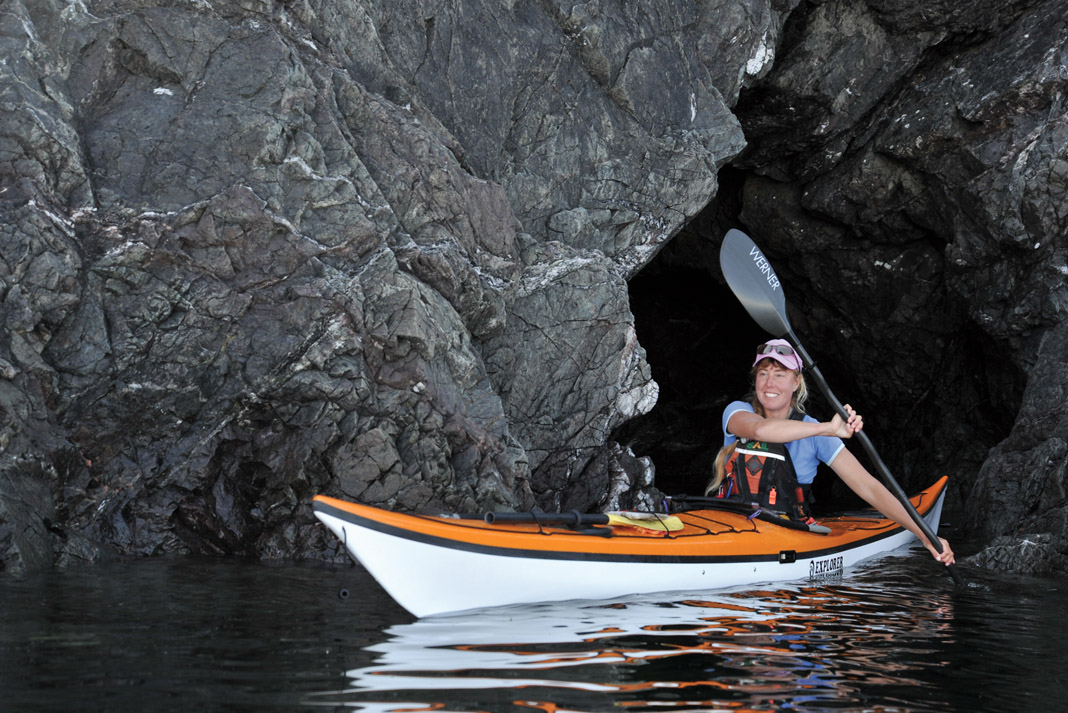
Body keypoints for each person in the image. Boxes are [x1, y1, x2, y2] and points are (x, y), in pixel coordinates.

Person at [708, 338, 955, 566]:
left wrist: (925, 534)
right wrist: (828, 428)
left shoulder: (817, 435)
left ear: (796, 383)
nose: (769, 384)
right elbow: (761, 431)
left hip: (787, 531)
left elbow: (869, 487)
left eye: (779, 375)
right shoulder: (738, 412)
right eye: (763, 374)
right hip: (727, 522)